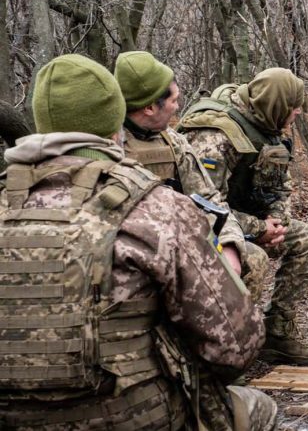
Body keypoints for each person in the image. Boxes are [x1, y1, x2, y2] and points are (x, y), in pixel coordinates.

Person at [0, 54, 275, 430]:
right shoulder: (155, 208)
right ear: (115, 117)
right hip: (135, 416)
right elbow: (236, 347)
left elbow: (213, 201)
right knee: (258, 409)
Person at [178, 68, 308, 364]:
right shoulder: (214, 135)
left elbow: (281, 185)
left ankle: (278, 332)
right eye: (293, 107)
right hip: (207, 229)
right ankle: (229, 348)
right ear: (277, 103)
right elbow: (203, 204)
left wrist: (277, 221)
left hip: (250, 221)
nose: (298, 113)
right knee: (253, 257)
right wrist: (258, 229)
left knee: (307, 238)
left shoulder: (268, 124)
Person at [114, 51, 269, 299]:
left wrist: (229, 244)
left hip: (179, 243)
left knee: (252, 258)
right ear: (150, 107)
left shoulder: (174, 142)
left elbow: (208, 199)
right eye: (174, 100)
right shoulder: (109, 143)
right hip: (126, 250)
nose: (178, 107)